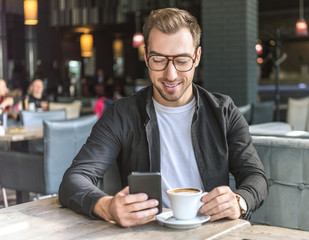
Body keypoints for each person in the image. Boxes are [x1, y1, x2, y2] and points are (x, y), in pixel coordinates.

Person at [59, 8, 268, 228]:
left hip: (212, 231)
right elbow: (74, 180)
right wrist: (107, 206)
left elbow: (256, 177)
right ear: (146, 55)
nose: (171, 74)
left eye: (182, 60)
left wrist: (239, 201)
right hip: (148, 231)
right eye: (158, 59)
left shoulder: (224, 112)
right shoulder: (122, 114)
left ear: (197, 57)